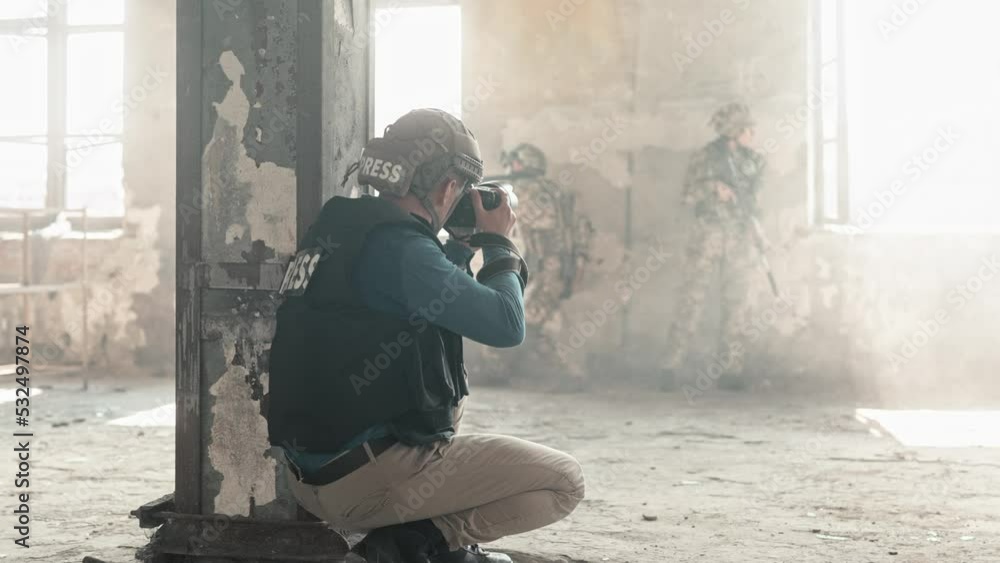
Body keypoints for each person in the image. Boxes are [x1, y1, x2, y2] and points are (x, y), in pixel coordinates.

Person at [266, 109, 585, 563]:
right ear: (449, 187)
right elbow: (505, 324)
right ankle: (402, 547)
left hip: (309, 480)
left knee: (436, 380)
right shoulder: (403, 250)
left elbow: (424, 301)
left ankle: (430, 545)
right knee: (564, 482)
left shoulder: (343, 227)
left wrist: (457, 246)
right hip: (371, 484)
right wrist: (500, 245)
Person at [661, 102, 767, 392]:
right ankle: (671, 365)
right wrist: (712, 189)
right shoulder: (705, 158)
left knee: (737, 304)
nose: (753, 132)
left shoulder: (755, 161)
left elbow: (756, 204)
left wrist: (758, 231)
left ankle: (731, 369)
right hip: (706, 234)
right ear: (734, 131)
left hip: (739, 235)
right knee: (691, 299)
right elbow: (687, 197)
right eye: (748, 128)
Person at [477, 143, 592, 386]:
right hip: (558, 269)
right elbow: (582, 228)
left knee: (523, 322)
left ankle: (562, 375)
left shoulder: (528, 192)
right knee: (540, 324)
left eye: (516, 162)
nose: (512, 167)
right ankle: (559, 374)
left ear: (525, 164)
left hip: (544, 269)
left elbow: (519, 230)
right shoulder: (556, 191)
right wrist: (579, 260)